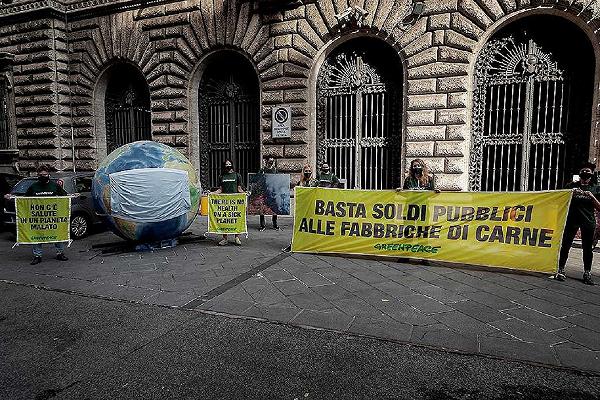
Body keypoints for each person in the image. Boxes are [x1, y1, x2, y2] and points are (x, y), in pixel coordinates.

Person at [6, 165, 70, 265]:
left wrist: (74, 196)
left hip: (52, 217)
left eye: (45, 174)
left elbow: (65, 197)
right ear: (38, 175)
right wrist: (12, 197)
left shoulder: (55, 186)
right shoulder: (33, 186)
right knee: (36, 235)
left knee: (57, 233)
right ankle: (37, 256)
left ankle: (60, 253)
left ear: (48, 175)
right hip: (37, 216)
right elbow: (25, 199)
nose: (43, 176)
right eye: (40, 175)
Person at [555, 163, 600, 285]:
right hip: (572, 221)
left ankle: (587, 273)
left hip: (588, 221)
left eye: (588, 172)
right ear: (579, 174)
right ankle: (561, 269)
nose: (585, 174)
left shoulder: (595, 188)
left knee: (587, 249)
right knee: (565, 245)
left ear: (591, 175)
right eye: (583, 171)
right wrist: (570, 194)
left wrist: (592, 197)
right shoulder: (571, 186)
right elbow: (560, 201)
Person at [213, 160, 245, 246]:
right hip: (224, 201)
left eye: (229, 164)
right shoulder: (221, 176)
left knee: (236, 218)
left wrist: (244, 193)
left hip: (235, 202)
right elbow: (220, 189)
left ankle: (237, 237)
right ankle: (225, 238)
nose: (228, 166)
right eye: (226, 165)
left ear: (232, 165)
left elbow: (239, 188)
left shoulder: (237, 175)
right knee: (225, 219)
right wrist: (212, 193)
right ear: (224, 166)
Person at [258, 157, 279, 231]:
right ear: (266, 161)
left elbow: (278, 180)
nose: (271, 162)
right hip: (264, 191)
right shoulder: (262, 170)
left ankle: (275, 224)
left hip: (273, 191)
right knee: (262, 209)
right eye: (270, 161)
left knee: (274, 209)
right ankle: (262, 225)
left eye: (272, 161)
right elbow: (258, 180)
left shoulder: (275, 170)